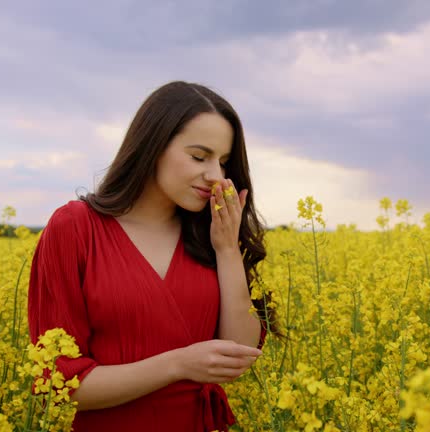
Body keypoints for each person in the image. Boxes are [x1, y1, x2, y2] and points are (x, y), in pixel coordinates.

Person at [27, 81, 277, 431]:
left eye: (223, 162)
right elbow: (58, 382)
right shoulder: (76, 228)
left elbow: (237, 354)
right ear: (153, 145)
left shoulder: (211, 237)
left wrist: (227, 248)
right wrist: (177, 365)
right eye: (198, 156)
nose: (215, 176)